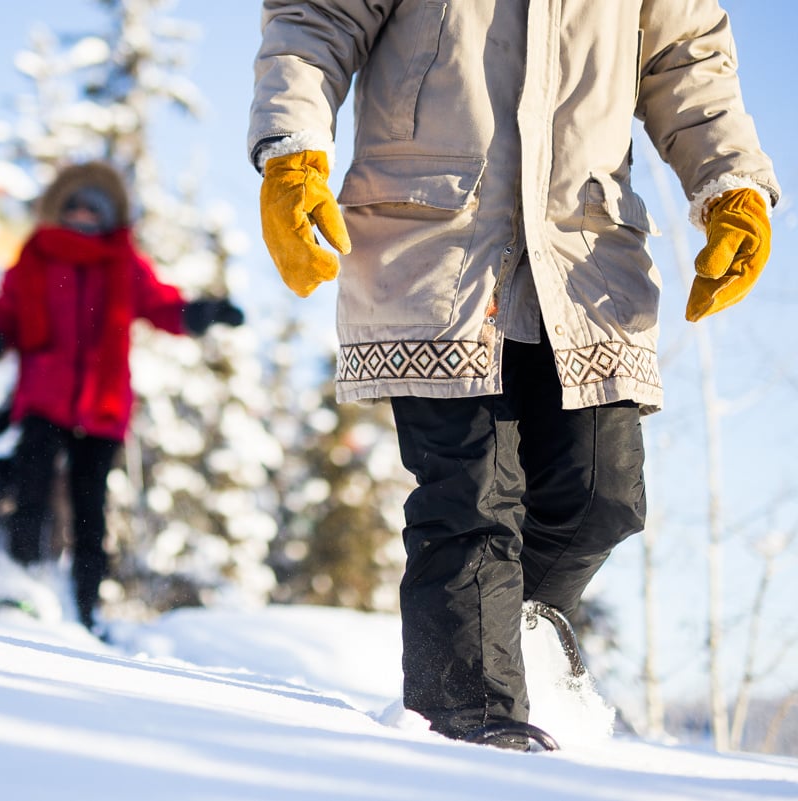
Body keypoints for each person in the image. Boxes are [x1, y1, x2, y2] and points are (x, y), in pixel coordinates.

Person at [248, 2, 777, 749]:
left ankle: (511, 645)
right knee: (469, 498)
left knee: (602, 493)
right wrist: (292, 147)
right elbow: (316, 21)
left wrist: (729, 183)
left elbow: (686, 59)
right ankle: (469, 722)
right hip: (433, 241)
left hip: (582, 252)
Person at [0, 161, 244, 632]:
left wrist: (203, 313)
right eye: (76, 207)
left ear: (108, 216)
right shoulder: (37, 257)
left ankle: (86, 609)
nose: (84, 215)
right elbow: (6, 313)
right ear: (62, 209)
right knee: (31, 493)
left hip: (102, 410)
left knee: (90, 512)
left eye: (94, 209)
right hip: (43, 399)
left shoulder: (123, 265)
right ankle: (20, 586)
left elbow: (163, 306)